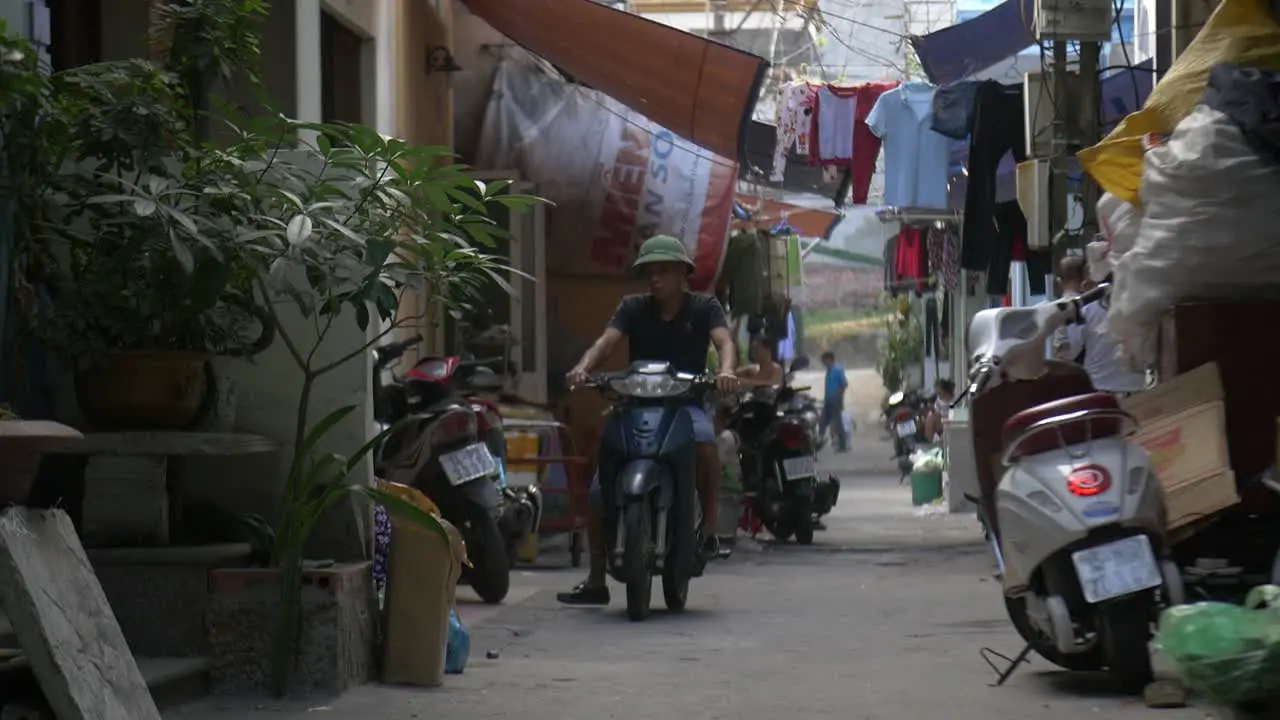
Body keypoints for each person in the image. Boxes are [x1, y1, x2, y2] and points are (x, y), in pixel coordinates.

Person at [557, 235, 738, 606]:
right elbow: (606, 342)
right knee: (597, 488)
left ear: (682, 274)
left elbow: (724, 342)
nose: (655, 280)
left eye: (664, 272)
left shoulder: (705, 308)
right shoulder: (633, 307)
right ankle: (595, 578)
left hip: (685, 405)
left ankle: (708, 529)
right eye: (650, 273)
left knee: (705, 446)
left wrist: (727, 370)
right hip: (635, 404)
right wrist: (583, 367)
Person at [1057, 271, 1146, 395]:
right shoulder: (1143, 307)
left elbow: (1072, 352)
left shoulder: (1087, 310)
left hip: (1099, 384)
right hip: (1137, 385)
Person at [819, 351, 850, 453]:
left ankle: (842, 445)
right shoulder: (829, 371)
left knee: (837, 423)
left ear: (830, 359)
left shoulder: (837, 370)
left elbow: (844, 384)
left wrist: (837, 395)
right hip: (828, 399)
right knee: (822, 420)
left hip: (835, 400)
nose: (823, 362)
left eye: (824, 360)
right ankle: (819, 440)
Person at [924, 378, 956, 443]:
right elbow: (937, 412)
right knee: (930, 418)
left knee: (931, 420)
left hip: (952, 421)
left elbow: (957, 416)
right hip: (942, 421)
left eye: (940, 392)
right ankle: (929, 441)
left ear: (945, 391)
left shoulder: (955, 400)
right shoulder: (939, 401)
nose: (939, 395)